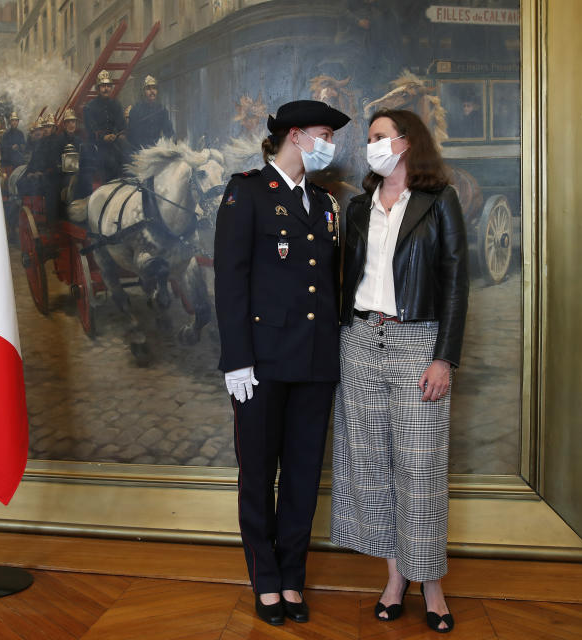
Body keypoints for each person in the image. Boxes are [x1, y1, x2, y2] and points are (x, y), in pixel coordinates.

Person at [330, 109, 468, 633]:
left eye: (380, 137)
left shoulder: (439, 202)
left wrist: (444, 357)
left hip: (418, 344)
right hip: (360, 341)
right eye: (369, 139)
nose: (372, 146)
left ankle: (430, 583)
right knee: (372, 464)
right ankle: (394, 579)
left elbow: (457, 283)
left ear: (407, 143)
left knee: (420, 468)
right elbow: (345, 277)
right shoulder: (359, 206)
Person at [213, 99, 350, 627]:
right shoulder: (246, 190)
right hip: (262, 365)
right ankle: (265, 581)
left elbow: (327, 282)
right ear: (296, 136)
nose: (330, 146)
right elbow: (230, 282)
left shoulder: (323, 202)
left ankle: (293, 577)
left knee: (300, 478)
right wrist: (237, 361)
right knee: (258, 477)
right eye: (323, 135)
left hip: (315, 362)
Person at [83, 69, 128, 181]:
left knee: (130, 156)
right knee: (110, 161)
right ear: (98, 89)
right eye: (103, 86)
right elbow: (91, 129)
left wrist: (120, 134)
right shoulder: (89, 107)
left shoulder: (116, 104)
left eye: (108, 86)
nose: (106, 88)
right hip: (98, 145)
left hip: (115, 143)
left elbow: (121, 125)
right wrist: (104, 137)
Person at [126, 75, 174, 150]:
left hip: (157, 148)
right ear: (143, 91)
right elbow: (131, 136)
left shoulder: (162, 110)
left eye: (154, 88)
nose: (152, 91)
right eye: (148, 89)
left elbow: (168, 132)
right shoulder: (136, 110)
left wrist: (171, 145)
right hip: (139, 149)